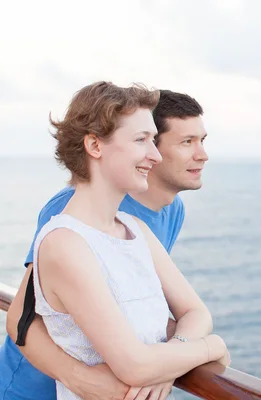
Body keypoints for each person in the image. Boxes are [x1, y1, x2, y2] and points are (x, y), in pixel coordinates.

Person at [0, 83, 229, 400]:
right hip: (34, 389)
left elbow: (169, 309)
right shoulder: (68, 226)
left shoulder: (146, 222)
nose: (154, 154)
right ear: (95, 146)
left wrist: (169, 361)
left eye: (201, 140)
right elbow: (23, 316)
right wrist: (208, 346)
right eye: (187, 142)